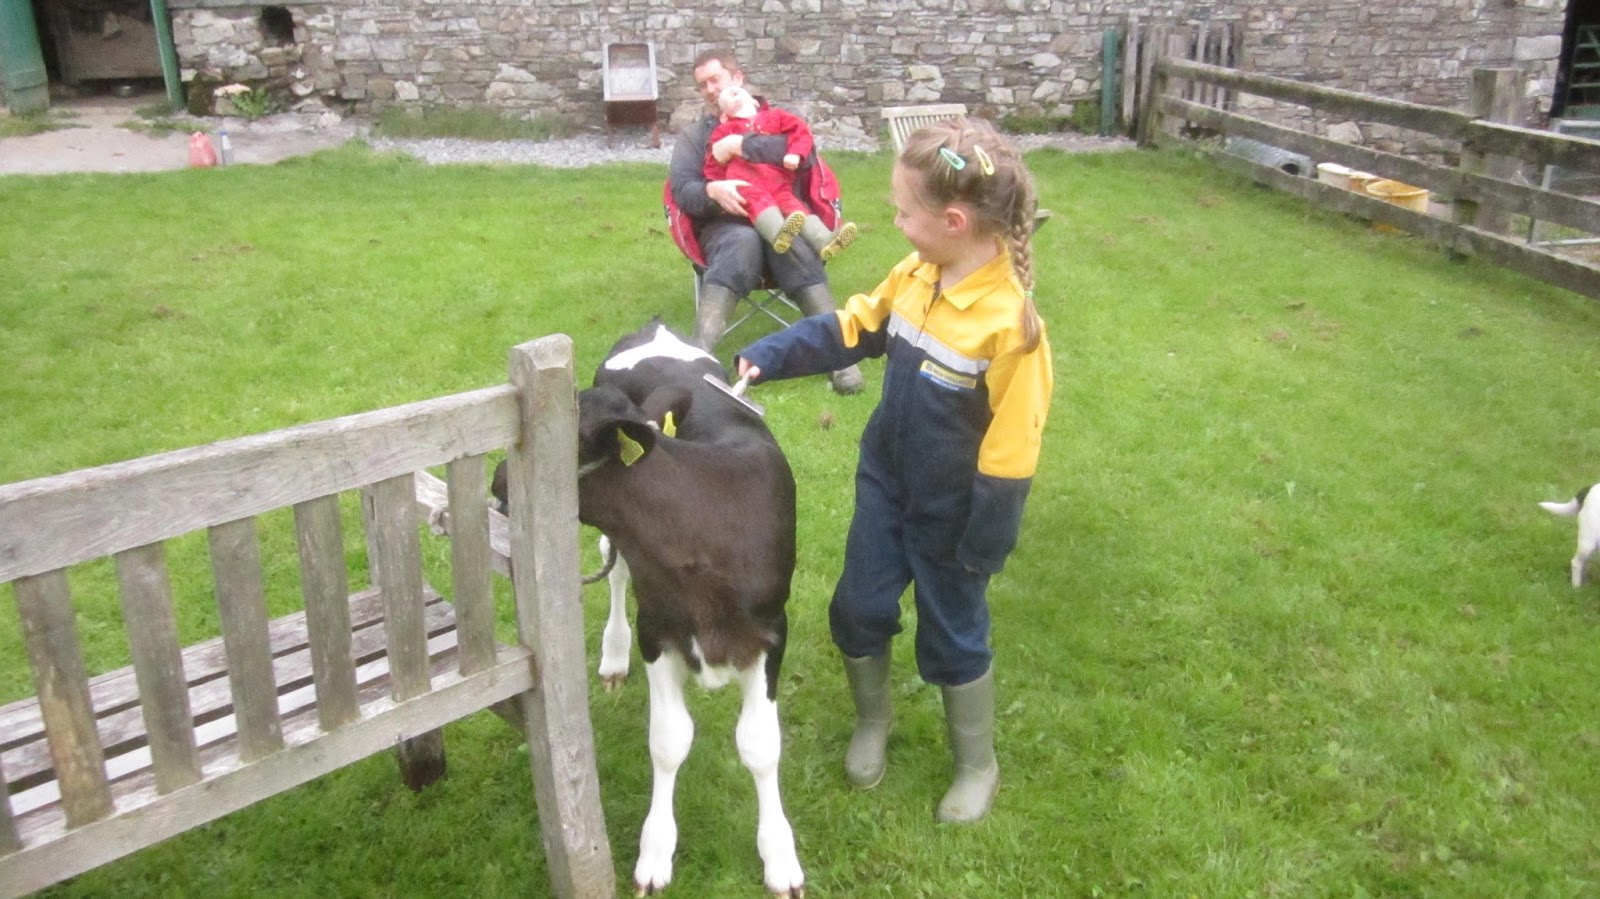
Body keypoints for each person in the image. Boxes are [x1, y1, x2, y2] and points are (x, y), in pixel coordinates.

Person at [735, 117, 1053, 824]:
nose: (896, 222)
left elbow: (1013, 451)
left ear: (954, 219)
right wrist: (770, 354)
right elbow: (851, 327)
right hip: (886, 486)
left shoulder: (1010, 326)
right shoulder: (915, 275)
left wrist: (984, 544)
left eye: (905, 212)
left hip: (955, 516)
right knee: (859, 607)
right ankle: (873, 721)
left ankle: (977, 762)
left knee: (952, 633)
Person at [669, 49, 863, 395]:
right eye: (702, 85)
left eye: (716, 80)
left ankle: (841, 358)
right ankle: (697, 357)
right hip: (726, 223)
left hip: (783, 215)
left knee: (790, 244)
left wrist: (741, 145)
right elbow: (682, 190)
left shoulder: (777, 119)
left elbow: (804, 159)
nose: (710, 90)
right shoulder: (695, 137)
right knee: (743, 243)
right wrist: (712, 189)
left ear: (738, 78)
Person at [705, 85, 858, 261]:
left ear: (755, 102)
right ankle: (778, 233)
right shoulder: (724, 130)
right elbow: (712, 163)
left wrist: (795, 153)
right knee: (758, 202)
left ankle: (824, 240)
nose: (732, 91)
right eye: (727, 94)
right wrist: (716, 182)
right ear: (724, 116)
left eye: (738, 90)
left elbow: (801, 133)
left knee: (795, 208)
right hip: (746, 185)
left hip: (779, 182)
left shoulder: (776, 116)